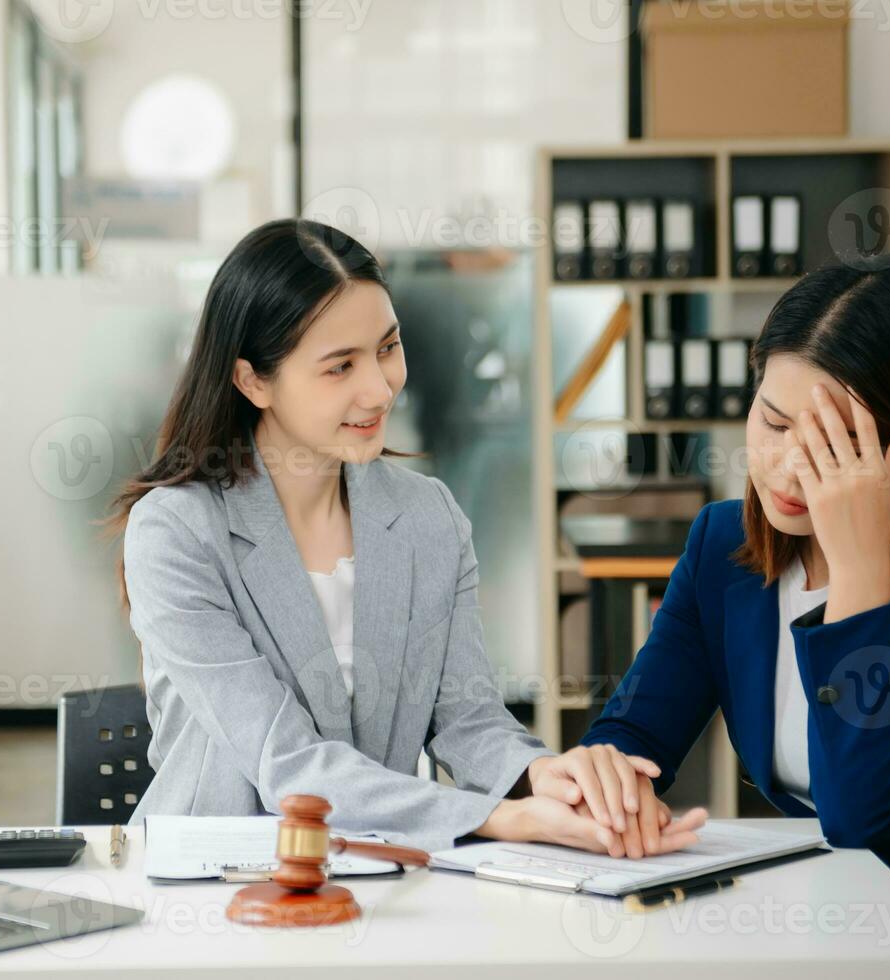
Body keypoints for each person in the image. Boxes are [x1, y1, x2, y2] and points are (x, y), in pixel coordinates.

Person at [532, 255, 890, 979]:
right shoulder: (721, 546)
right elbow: (633, 737)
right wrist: (605, 773)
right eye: (773, 422)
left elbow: (860, 815)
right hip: (834, 929)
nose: (785, 467)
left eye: (829, 446)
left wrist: (857, 573)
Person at [105, 218, 708, 854]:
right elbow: (286, 765)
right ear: (253, 380)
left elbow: (468, 718)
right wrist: (497, 819)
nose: (381, 387)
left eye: (387, 348)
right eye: (340, 367)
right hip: (215, 886)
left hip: (382, 866)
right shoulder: (176, 531)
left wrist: (544, 778)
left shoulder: (428, 515)